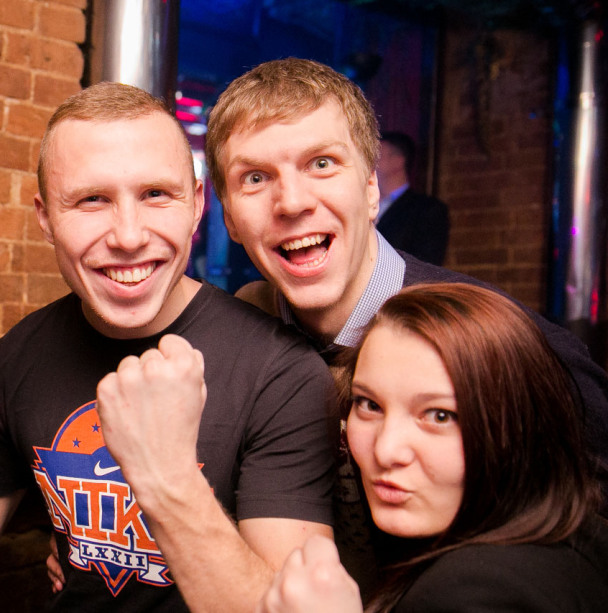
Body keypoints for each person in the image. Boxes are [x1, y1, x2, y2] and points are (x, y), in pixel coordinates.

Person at [0, 81, 336, 612]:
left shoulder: (280, 373)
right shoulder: (16, 359)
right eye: (92, 200)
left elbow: (289, 605)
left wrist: (169, 477)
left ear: (196, 205)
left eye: (155, 195)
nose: (128, 236)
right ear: (46, 218)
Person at [204, 57, 608, 510]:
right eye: (255, 178)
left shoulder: (504, 347)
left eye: (321, 163)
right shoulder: (246, 328)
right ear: (229, 218)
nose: (292, 202)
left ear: (371, 189)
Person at [257, 283, 608, 613]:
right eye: (369, 404)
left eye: (439, 416)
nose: (386, 451)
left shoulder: (473, 591)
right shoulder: (575, 534)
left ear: (519, 428)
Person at [375, 131, 449, 265]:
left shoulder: (426, 210)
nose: (370, 162)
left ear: (398, 161)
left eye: (377, 155)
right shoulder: (364, 205)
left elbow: (426, 263)